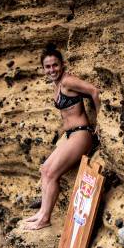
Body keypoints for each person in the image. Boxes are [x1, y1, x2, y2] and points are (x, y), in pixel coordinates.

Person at [24, 43, 101, 230]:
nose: (52, 69)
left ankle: (45, 218)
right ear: (43, 69)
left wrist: (100, 121)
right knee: (44, 170)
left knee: (51, 173)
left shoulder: (67, 81)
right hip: (70, 135)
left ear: (62, 65)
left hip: (82, 134)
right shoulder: (57, 84)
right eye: (48, 66)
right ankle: (42, 212)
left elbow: (94, 91)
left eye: (55, 65)